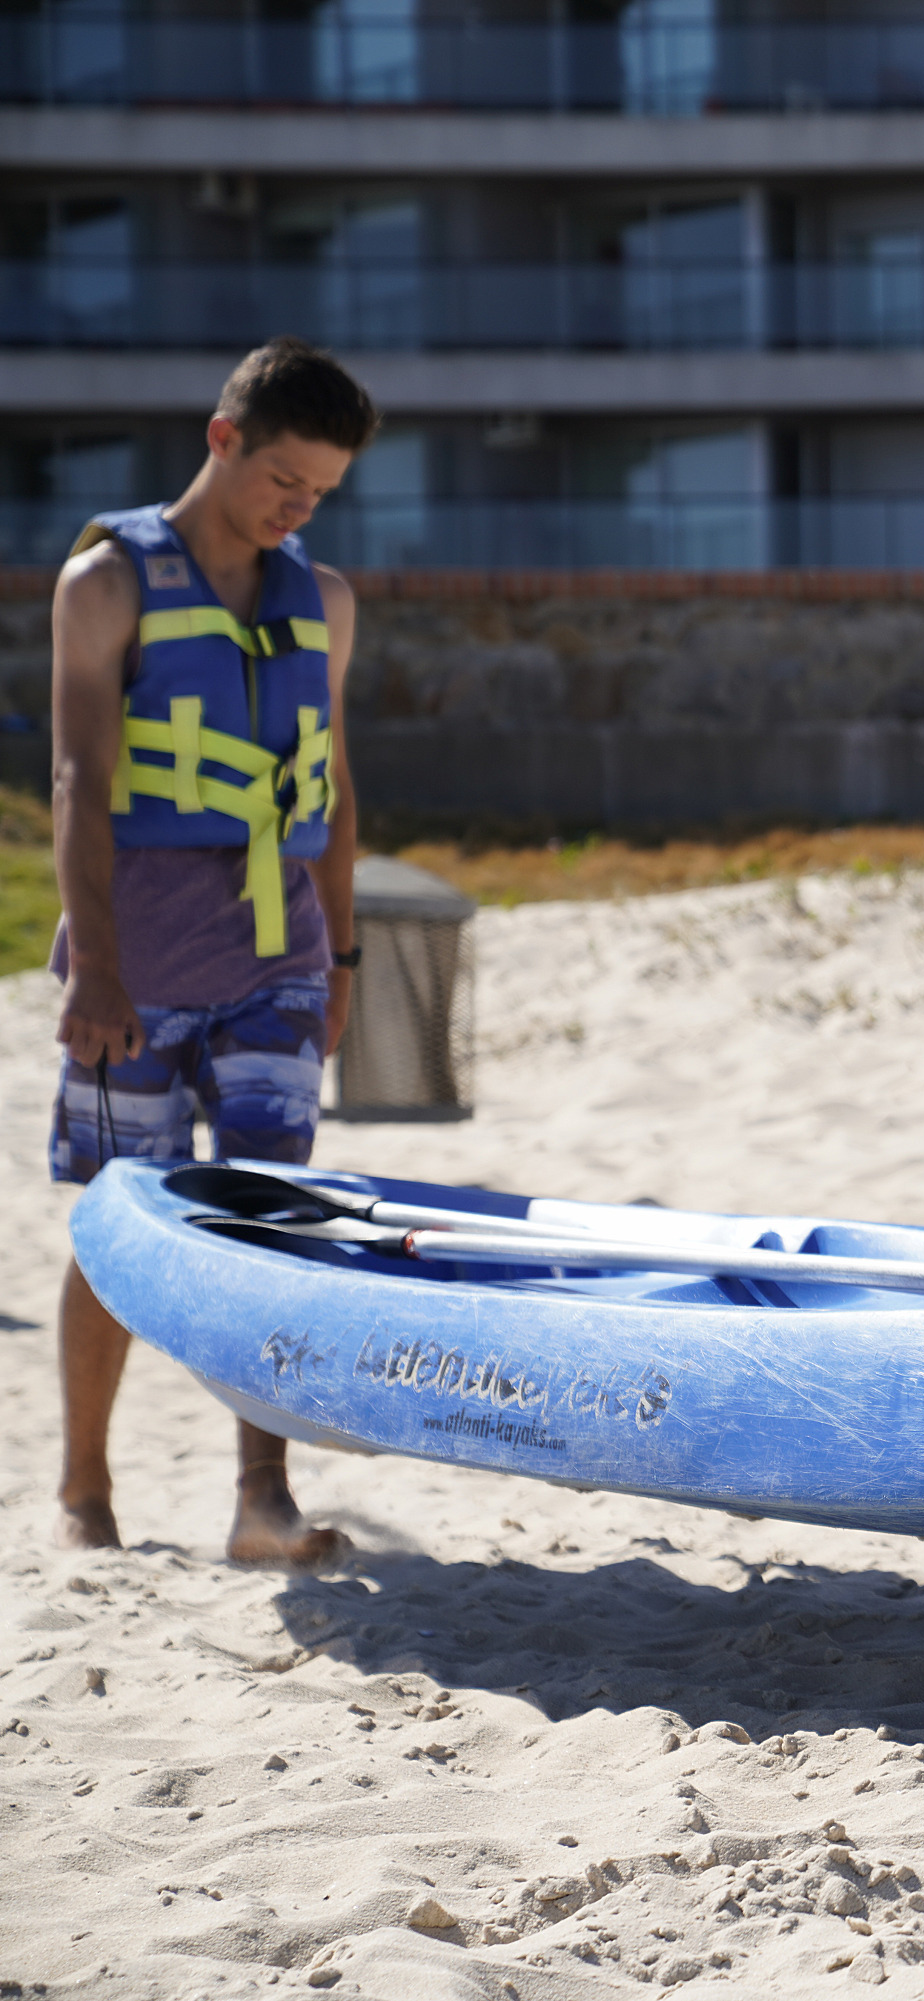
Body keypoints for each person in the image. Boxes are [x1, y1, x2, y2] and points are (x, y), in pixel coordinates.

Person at [49, 337, 375, 1566]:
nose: (299, 510)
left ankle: (260, 1501)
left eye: (322, 494)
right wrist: (98, 969)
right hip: (136, 966)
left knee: (267, 1228)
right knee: (119, 1229)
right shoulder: (106, 581)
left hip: (280, 964)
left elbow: (335, 792)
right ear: (223, 437)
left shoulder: (323, 599)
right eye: (286, 480)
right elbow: (80, 783)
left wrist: (342, 961)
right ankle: (86, 1486)